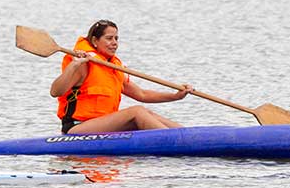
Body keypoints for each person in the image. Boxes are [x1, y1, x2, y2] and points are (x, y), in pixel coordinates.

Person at [50, 19, 192, 134]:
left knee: (147, 113)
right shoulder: (82, 64)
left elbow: (142, 94)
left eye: (116, 38)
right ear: (94, 41)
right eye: (109, 38)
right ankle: (176, 141)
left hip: (103, 125)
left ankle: (187, 135)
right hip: (77, 127)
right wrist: (74, 65)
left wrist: (175, 96)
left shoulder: (111, 67)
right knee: (137, 112)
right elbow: (55, 91)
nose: (114, 43)